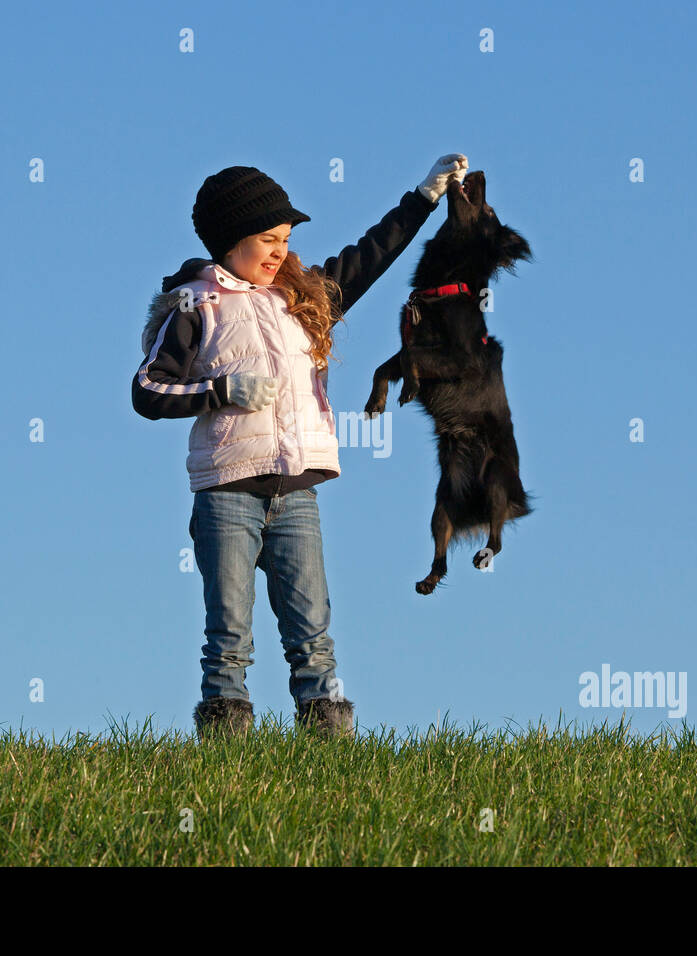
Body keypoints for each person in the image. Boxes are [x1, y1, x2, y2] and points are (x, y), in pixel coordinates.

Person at [133, 155, 468, 740]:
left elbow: (369, 257)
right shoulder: (196, 303)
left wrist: (422, 198)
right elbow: (148, 389)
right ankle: (225, 744)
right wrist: (220, 389)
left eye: (286, 240)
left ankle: (328, 748)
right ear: (229, 239)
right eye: (267, 239)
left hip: (297, 493)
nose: (279, 252)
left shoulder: (304, 297)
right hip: (227, 493)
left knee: (312, 629)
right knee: (229, 632)